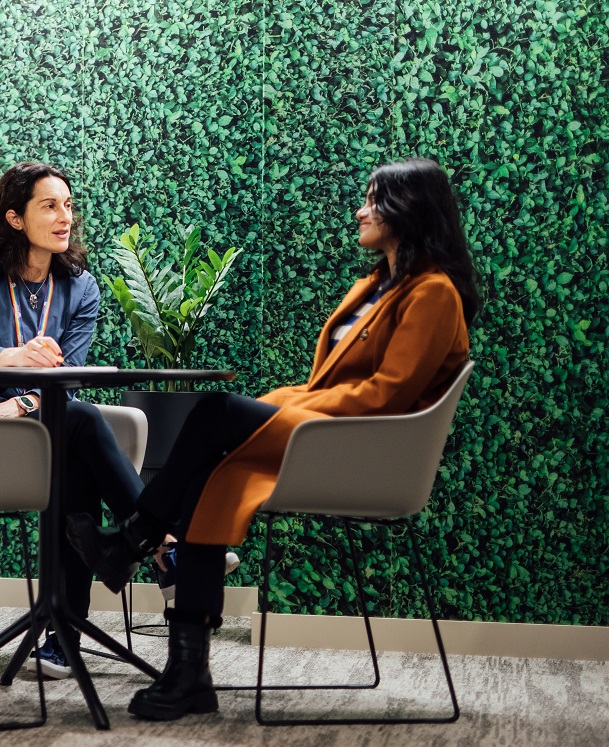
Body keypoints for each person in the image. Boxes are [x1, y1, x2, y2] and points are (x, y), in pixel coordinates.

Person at [66, 157, 480, 720]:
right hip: (325, 432)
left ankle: (131, 541)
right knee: (212, 478)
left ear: (409, 211)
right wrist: (292, 401)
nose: (360, 211)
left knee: (213, 412)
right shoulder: (377, 287)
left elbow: (386, 394)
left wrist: (292, 406)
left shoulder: (433, 293)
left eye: (373, 200)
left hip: (359, 450)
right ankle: (189, 672)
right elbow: (328, 383)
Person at [0, 161, 145, 679]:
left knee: (74, 438)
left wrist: (23, 403)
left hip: (39, 419)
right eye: (49, 206)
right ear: (14, 218)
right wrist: (15, 359)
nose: (64, 217)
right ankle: (162, 544)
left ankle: (63, 638)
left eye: (68, 206)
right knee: (79, 423)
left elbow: (67, 377)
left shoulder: (80, 287)